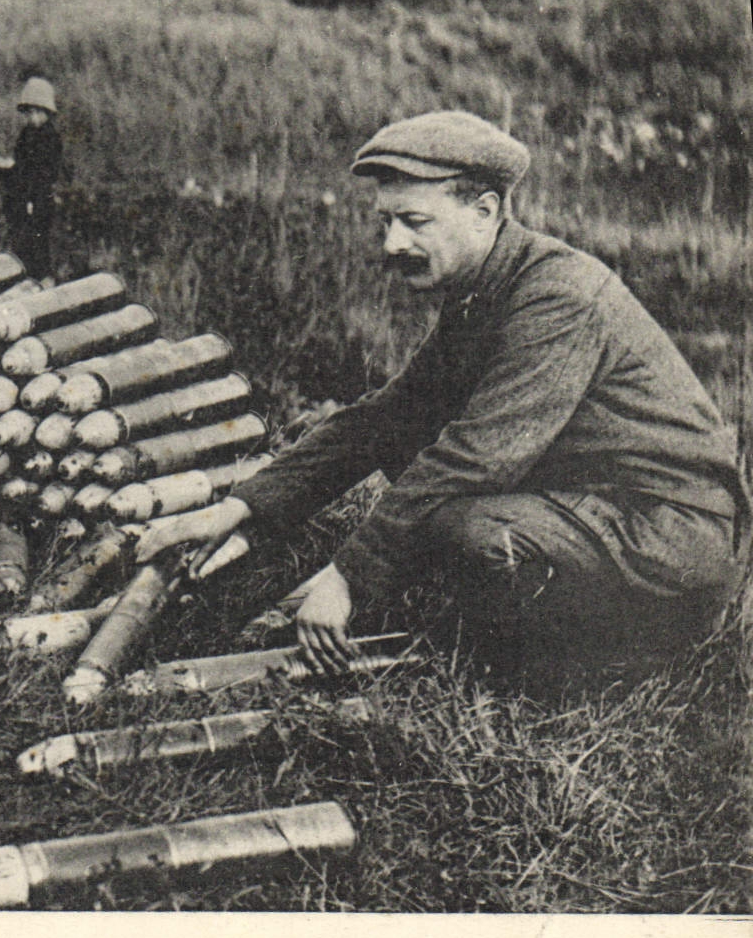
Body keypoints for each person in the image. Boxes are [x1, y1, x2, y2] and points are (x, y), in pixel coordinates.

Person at [194, 110, 747, 676]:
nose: (393, 243)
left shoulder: (558, 298)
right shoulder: (484, 289)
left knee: (468, 531)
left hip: (663, 540)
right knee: (407, 445)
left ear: (484, 211)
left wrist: (347, 576)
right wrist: (247, 503)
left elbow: (478, 457)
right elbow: (384, 419)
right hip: (594, 509)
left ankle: (587, 670)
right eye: (385, 222)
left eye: (414, 221)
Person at [0, 76, 66, 282]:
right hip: (21, 196)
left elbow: (46, 172)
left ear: (47, 113)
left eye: (37, 112)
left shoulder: (50, 138)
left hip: (39, 197)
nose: (32, 117)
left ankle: (42, 279)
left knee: (39, 241)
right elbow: (21, 166)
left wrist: (32, 199)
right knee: (21, 240)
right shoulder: (26, 135)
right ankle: (25, 276)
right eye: (29, 112)